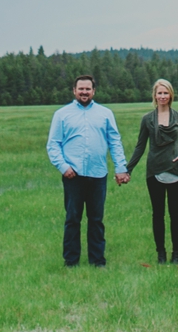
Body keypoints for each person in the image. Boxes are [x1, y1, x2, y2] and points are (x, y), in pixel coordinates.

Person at [46, 74, 129, 267]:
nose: (84, 92)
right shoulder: (62, 114)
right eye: (81, 89)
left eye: (88, 89)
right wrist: (63, 166)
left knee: (96, 220)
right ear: (74, 91)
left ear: (94, 91)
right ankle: (71, 260)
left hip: (98, 174)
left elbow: (114, 142)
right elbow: (53, 144)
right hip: (73, 175)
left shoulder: (105, 114)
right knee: (73, 219)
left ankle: (97, 260)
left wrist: (121, 168)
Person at [127, 78, 178, 264]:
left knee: (175, 213)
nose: (162, 96)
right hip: (154, 172)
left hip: (176, 171)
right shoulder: (147, 119)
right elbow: (140, 147)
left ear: (171, 95)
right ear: (154, 95)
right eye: (159, 93)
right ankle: (161, 254)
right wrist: (127, 169)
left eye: (166, 92)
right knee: (158, 214)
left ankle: (176, 253)